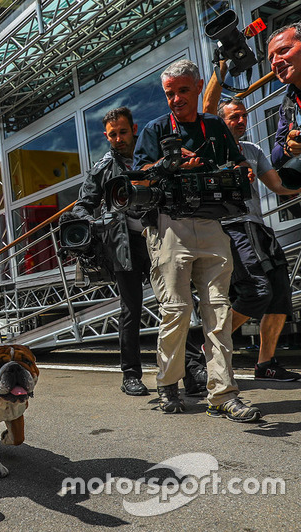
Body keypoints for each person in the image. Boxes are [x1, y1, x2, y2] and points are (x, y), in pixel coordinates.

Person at [132, 59, 260, 422]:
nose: (176, 99)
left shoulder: (216, 126)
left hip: (211, 223)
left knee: (218, 310)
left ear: (199, 87)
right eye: (170, 93)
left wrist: (239, 170)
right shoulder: (156, 129)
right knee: (176, 310)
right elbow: (138, 177)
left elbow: (237, 164)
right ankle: (169, 383)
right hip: (168, 225)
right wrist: (167, 165)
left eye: (183, 91)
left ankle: (223, 393)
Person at [68, 107, 208, 396]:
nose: (118, 138)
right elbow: (83, 203)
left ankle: (192, 371)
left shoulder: (156, 155)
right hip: (124, 244)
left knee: (175, 303)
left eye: (122, 132)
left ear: (133, 129)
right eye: (112, 135)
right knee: (130, 311)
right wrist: (89, 223)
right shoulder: (104, 167)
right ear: (106, 137)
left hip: (159, 236)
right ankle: (130, 375)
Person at [201, 70, 301, 381]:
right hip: (229, 228)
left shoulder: (253, 151)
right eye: (233, 117)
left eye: (243, 116)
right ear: (221, 122)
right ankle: (208, 347)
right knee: (257, 292)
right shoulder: (210, 147)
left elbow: (280, 186)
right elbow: (206, 107)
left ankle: (265, 364)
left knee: (281, 295)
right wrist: (222, 67)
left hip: (257, 228)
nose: (241, 121)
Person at [268, 23, 301, 170]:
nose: (275, 62)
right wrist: (288, 147)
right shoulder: (289, 102)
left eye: (284, 50)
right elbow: (275, 157)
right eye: (271, 59)